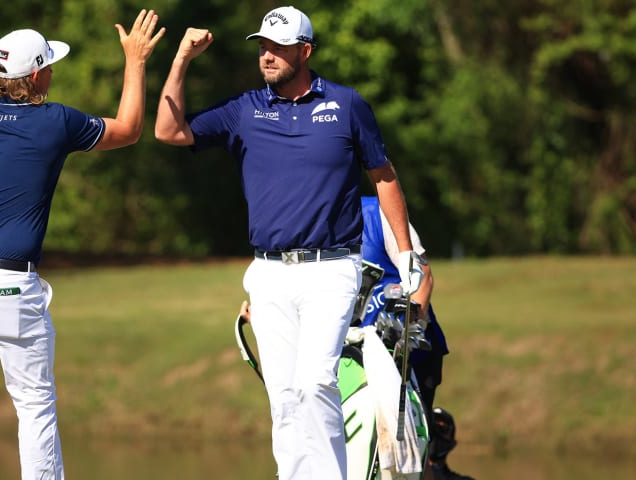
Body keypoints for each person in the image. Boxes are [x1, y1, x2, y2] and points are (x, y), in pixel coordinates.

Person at [154, 6, 422, 480]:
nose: (267, 56)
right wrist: (181, 60)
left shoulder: (346, 104)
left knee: (317, 382)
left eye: (277, 47)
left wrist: (407, 258)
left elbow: (383, 177)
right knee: (283, 395)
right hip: (269, 273)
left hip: (331, 267)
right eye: (262, 47)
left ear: (305, 51)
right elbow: (168, 131)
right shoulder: (245, 109)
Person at [0, 11, 164, 480]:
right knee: (34, 402)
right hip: (6, 282)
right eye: (50, 66)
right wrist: (134, 61)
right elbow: (129, 129)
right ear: (36, 75)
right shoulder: (55, 121)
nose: (52, 73)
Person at [360, 195, 474, 480]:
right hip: (358, 358)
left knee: (411, 452)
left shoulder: (378, 214)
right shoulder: (313, 232)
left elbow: (422, 276)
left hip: (412, 352)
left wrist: (407, 341)